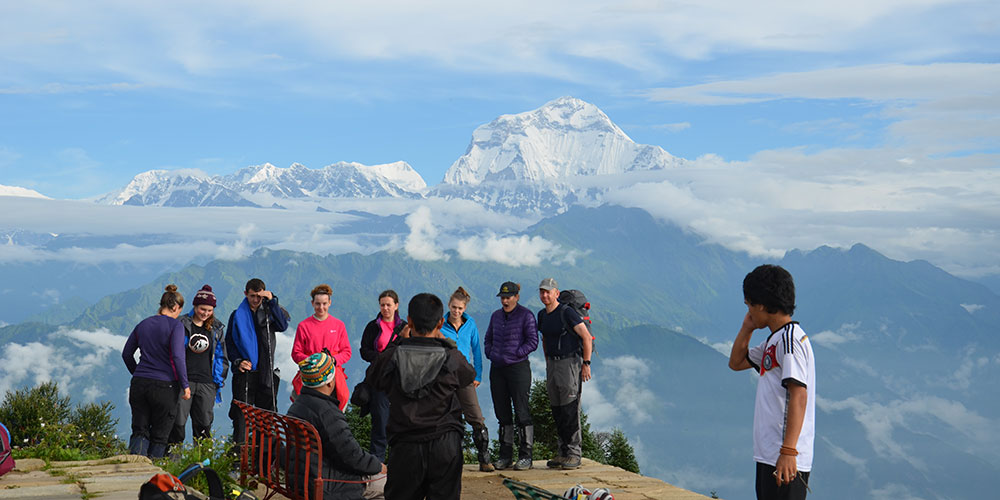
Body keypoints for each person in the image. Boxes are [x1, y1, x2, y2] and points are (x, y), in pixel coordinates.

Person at [371, 293, 475, 500]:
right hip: (445, 443)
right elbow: (468, 375)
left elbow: (373, 378)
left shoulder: (392, 357)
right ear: (441, 322)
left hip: (405, 445)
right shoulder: (451, 358)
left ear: (409, 321)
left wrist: (398, 340)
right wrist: (446, 341)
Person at [728, 265, 816, 500]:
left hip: (785, 456)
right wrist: (747, 327)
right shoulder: (774, 341)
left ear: (762, 305)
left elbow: (799, 394)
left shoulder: (789, 341)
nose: (748, 311)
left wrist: (789, 451)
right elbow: (736, 362)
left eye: (748, 306)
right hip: (770, 453)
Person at [287, 351, 386, 500]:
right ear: (330, 382)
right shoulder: (327, 413)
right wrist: (378, 466)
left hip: (302, 479)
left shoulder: (297, 406)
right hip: (329, 485)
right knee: (391, 482)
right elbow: (352, 456)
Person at [122, 284, 192, 458]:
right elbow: (177, 356)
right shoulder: (176, 326)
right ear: (176, 308)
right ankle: (153, 475)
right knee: (160, 435)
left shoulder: (143, 324)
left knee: (140, 430)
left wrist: (138, 373)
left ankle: (134, 469)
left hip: (140, 384)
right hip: (165, 386)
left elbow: (126, 354)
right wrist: (185, 385)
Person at [536, 278, 593, 470]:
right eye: (542, 292)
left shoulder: (566, 312)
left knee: (570, 407)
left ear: (556, 293)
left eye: (548, 292)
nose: (545, 295)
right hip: (552, 364)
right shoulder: (542, 315)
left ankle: (574, 453)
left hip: (570, 363)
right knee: (557, 408)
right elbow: (544, 338)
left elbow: (586, 337)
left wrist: (586, 363)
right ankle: (562, 453)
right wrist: (547, 361)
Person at [226, 278, 290, 444]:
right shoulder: (237, 315)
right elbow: (230, 343)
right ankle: (239, 457)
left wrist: (272, 301)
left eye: (259, 296)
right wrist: (237, 361)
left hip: (266, 372)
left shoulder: (270, 313)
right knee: (241, 417)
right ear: (245, 294)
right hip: (245, 373)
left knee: (266, 418)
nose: (255, 300)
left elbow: (283, 326)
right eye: (252, 296)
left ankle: (265, 458)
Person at [483, 281, 538, 470]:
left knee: (522, 412)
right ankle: (505, 456)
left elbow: (533, 341)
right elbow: (488, 339)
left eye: (508, 297)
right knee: (502, 414)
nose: (505, 300)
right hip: (497, 369)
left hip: (518, 368)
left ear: (517, 297)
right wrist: (491, 353)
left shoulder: (526, 315)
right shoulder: (496, 316)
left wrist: (516, 353)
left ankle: (526, 456)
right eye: (503, 297)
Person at [440, 286, 494, 472]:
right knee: (449, 418)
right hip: (444, 377)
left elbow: (476, 350)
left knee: (476, 417)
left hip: (465, 376)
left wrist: (477, 374)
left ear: (465, 308)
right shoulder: (440, 324)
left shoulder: (470, 325)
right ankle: (452, 460)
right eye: (454, 307)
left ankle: (484, 458)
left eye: (460, 308)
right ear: (449, 305)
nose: (456, 311)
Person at [169, 285, 228, 447]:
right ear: (195, 306)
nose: (206, 313)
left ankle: (201, 465)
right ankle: (173, 464)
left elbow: (221, 356)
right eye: (203, 309)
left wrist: (218, 381)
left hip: (207, 383)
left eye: (210, 310)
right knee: (177, 424)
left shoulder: (216, 328)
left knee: (203, 427)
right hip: (183, 382)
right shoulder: (181, 324)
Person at [359, 290, 406, 462]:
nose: (385, 308)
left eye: (388, 305)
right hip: (378, 379)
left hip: (399, 379)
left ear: (396, 305)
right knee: (380, 420)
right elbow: (364, 351)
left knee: (400, 420)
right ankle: (376, 463)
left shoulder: (405, 328)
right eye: (382, 305)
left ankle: (398, 461)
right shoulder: (373, 326)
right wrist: (379, 358)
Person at [291, 284, 352, 410]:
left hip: (333, 375)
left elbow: (346, 352)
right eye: (318, 304)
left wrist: (333, 360)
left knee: (336, 408)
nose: (321, 307)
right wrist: (312, 361)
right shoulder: (304, 326)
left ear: (330, 303)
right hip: (309, 375)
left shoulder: (338, 325)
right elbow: (296, 353)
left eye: (324, 303)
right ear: (312, 303)